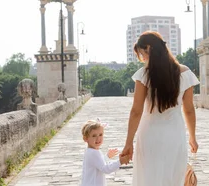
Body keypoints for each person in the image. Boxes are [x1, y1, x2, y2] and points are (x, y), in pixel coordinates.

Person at [120, 31, 200, 186]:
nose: (143, 59)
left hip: (150, 134)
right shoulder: (185, 73)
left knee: (149, 178)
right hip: (175, 134)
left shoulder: (144, 75)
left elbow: (136, 111)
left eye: (142, 54)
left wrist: (128, 142)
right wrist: (193, 137)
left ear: (148, 49)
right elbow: (189, 109)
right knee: (173, 177)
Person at [81, 119, 129, 186]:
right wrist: (120, 161)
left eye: (100, 135)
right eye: (94, 136)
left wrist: (107, 157)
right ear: (86, 138)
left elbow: (98, 164)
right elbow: (105, 169)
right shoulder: (93, 153)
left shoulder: (90, 151)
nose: (98, 138)